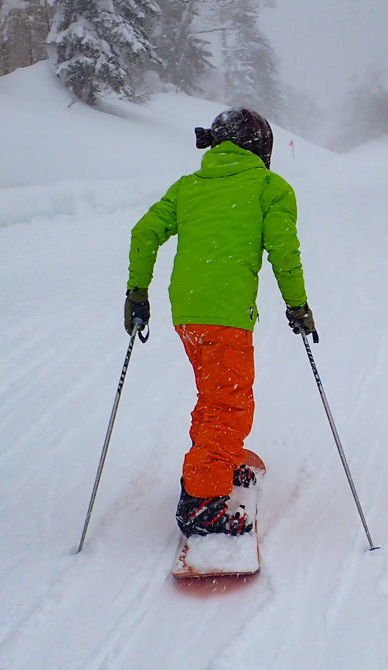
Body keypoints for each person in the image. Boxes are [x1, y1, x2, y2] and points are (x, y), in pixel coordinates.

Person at [124, 108, 316, 538]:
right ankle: (203, 504)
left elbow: (144, 232)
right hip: (225, 315)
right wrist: (297, 306)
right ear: (261, 149)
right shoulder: (269, 188)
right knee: (229, 405)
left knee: (214, 396)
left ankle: (212, 465)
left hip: (187, 312)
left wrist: (137, 292)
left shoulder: (189, 186)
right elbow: (285, 253)